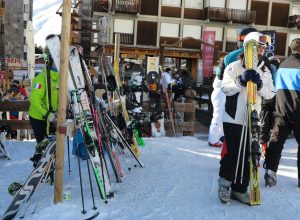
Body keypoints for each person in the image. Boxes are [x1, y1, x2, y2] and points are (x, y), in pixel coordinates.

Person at [218, 32, 275, 204]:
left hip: (253, 117)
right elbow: (226, 89)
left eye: (264, 47)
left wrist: (259, 85)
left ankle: (240, 188)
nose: (262, 50)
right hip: (233, 117)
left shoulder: (265, 69)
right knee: (234, 153)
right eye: (259, 47)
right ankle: (225, 184)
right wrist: (240, 82)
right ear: (249, 48)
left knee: (250, 154)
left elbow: (270, 94)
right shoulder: (234, 67)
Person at [208, 27, 257, 148]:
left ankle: (219, 137)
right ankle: (214, 138)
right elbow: (221, 74)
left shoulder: (231, 55)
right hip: (226, 86)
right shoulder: (238, 55)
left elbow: (219, 73)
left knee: (223, 114)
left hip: (226, 86)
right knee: (222, 114)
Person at [264, 38, 300, 187]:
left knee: (276, 143)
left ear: (291, 49)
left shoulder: (282, 65)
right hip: (299, 112)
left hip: (281, 112)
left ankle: (270, 174)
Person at [28, 48, 59, 166]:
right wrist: (47, 114)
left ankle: (47, 165)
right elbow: (35, 100)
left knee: (50, 144)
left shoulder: (58, 79)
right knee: (42, 143)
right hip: (38, 117)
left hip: (51, 117)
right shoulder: (40, 79)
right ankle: (39, 165)